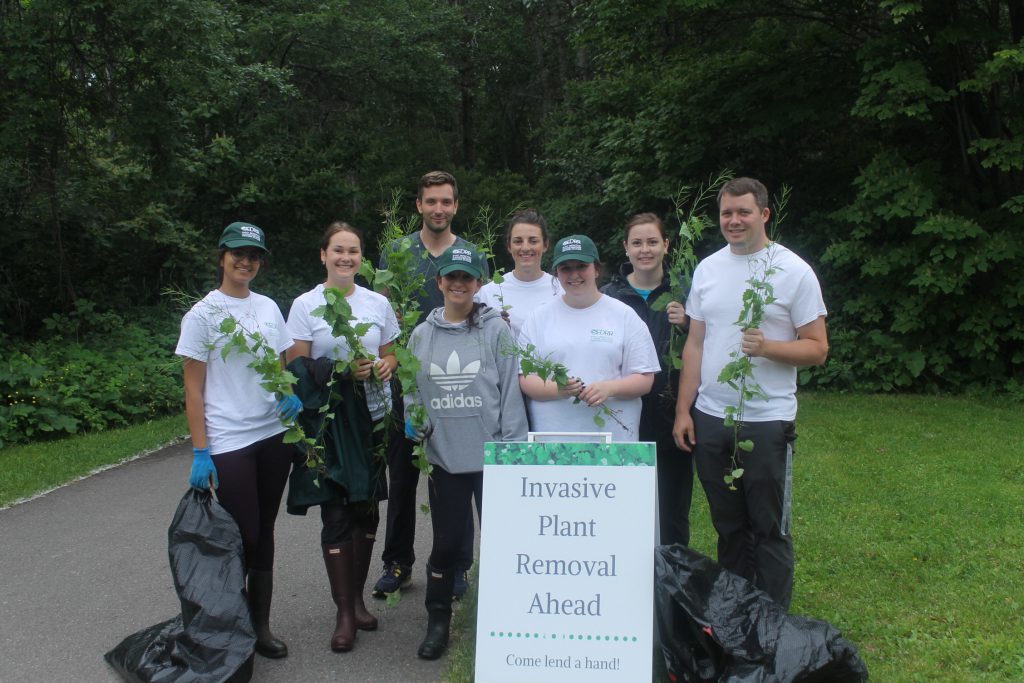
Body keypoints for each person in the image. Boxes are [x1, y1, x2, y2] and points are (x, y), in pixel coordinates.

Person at [672, 177, 828, 610]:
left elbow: (817, 347)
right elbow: (696, 344)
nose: (734, 221)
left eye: (743, 212)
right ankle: (737, 613)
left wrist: (769, 347)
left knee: (769, 527)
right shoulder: (708, 269)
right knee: (728, 524)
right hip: (710, 416)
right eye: (726, 213)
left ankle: (773, 620)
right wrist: (685, 410)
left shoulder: (793, 270)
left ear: (764, 214)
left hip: (766, 421)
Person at [175, 221, 300, 659]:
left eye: (254, 255)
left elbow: (280, 364)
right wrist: (200, 450)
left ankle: (259, 628)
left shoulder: (268, 307)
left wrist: (290, 396)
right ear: (221, 256)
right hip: (229, 439)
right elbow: (193, 389)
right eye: (237, 253)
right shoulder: (202, 315)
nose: (246, 261)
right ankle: (228, 624)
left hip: (273, 434)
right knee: (242, 533)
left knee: (263, 530)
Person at [404, 244, 528, 659]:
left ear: (478, 285)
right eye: (451, 277)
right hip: (445, 457)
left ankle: (504, 621)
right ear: (439, 282)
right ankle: (438, 618)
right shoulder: (422, 334)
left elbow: (511, 389)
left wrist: (510, 449)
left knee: (502, 543)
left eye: (467, 278)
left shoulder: (495, 330)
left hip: (492, 456)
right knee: (446, 543)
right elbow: (411, 384)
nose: (459, 284)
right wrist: (414, 419)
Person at [285, 221, 399, 652]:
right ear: (323, 255)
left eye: (353, 251)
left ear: (361, 257)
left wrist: (387, 365)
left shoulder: (376, 303)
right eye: (338, 251)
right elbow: (296, 366)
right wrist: (341, 371)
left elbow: (390, 351)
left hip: (372, 418)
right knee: (335, 513)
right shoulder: (305, 304)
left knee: (366, 510)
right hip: (328, 425)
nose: (346, 258)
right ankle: (344, 613)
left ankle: (357, 599)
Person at [373, 171, 486, 599]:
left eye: (446, 201)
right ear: (418, 206)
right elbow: (383, 318)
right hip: (409, 381)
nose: (439, 208)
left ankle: (457, 565)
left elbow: (480, 314)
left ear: (456, 206)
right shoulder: (395, 253)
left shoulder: (471, 254)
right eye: (431, 201)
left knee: (451, 478)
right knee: (402, 477)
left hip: (458, 384)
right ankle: (398, 562)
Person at [601, 213, 693, 546]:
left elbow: (708, 348)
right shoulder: (607, 296)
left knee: (671, 512)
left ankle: (672, 589)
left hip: (671, 416)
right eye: (637, 243)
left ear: (666, 245)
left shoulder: (684, 291)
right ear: (625, 248)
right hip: (620, 416)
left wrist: (687, 323)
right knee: (619, 508)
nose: (645, 250)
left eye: (652, 242)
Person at [518, 234, 660, 440]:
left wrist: (609, 388)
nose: (574, 274)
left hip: (614, 442)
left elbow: (645, 379)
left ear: (596, 270)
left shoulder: (624, 315)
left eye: (581, 266)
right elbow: (526, 379)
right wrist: (559, 389)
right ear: (557, 273)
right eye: (565, 268)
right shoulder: (538, 318)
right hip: (554, 442)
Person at [476, 209, 563, 338]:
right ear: (509, 246)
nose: (526, 248)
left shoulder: (562, 289)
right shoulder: (488, 294)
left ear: (545, 245)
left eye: (533, 241)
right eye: (518, 241)